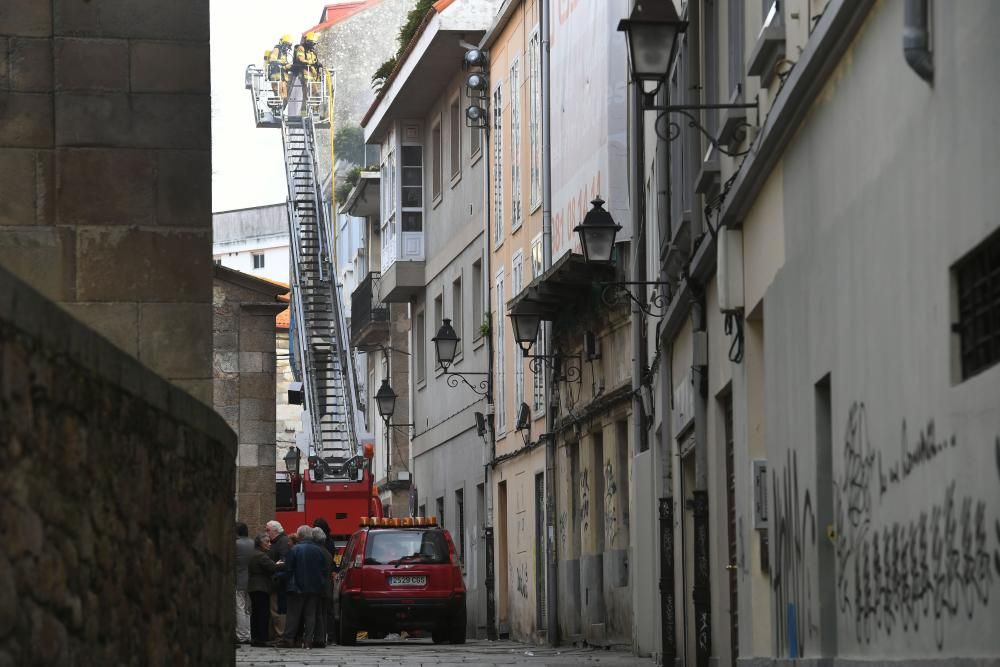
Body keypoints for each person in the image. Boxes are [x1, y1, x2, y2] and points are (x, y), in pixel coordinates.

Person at [273, 525, 328, 648]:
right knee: (310, 615)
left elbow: (289, 569)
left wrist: (278, 575)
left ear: (299, 536)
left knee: (293, 615)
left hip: (296, 588)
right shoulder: (319, 550)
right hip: (314, 588)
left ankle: (288, 639)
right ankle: (308, 641)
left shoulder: (295, 549)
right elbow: (323, 571)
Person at [247, 533, 278, 647]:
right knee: (263, 614)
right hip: (261, 587)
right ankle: (262, 639)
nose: (269, 544)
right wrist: (281, 564)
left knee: (255, 614)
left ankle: (255, 638)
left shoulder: (253, 554)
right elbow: (273, 567)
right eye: (267, 542)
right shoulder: (262, 556)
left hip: (253, 587)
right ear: (260, 543)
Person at [265, 520, 291, 640]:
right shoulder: (277, 541)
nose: (266, 532)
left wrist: (273, 565)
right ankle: (275, 634)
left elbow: (284, 562)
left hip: (279, 581)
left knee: (277, 610)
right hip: (275, 580)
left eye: (268, 530)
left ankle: (280, 635)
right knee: (274, 609)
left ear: (275, 530)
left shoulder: (283, 541)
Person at [311, 526, 334, 647]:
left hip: (318, 587)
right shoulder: (327, 553)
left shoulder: (315, 552)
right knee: (324, 613)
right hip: (327, 587)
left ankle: (319, 638)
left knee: (317, 613)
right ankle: (323, 637)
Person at [235, 522, 254, 645]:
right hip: (251, 580)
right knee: (247, 609)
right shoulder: (252, 543)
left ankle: (242, 635)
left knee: (239, 607)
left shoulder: (236, 544)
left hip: (239, 579)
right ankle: (247, 633)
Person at [268, 34, 293, 99]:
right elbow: (272, 59)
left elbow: (285, 63)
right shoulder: (277, 48)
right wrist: (281, 63)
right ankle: (279, 101)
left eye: (288, 45)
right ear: (282, 43)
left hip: (283, 75)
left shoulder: (284, 53)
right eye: (286, 44)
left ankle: (280, 102)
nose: (287, 47)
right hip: (276, 74)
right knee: (279, 89)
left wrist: (289, 66)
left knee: (284, 93)